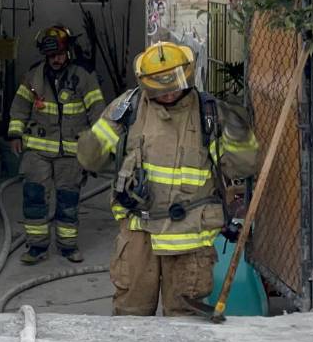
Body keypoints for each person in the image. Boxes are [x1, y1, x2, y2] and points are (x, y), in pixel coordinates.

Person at [77, 41, 260, 316]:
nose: (168, 94)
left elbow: (243, 168)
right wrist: (92, 143)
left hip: (189, 238)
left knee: (184, 320)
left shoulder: (209, 114)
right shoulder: (129, 108)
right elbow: (90, 159)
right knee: (130, 317)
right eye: (159, 90)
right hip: (139, 233)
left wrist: (238, 134)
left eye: (174, 86)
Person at [8, 26, 105, 265]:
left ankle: (68, 247)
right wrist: (15, 134)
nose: (56, 60)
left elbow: (97, 110)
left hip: (70, 152)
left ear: (68, 51)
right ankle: (37, 247)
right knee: (34, 197)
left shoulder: (83, 76)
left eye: (60, 54)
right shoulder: (34, 76)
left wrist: (98, 145)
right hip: (37, 151)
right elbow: (20, 107)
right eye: (51, 56)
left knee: (68, 200)